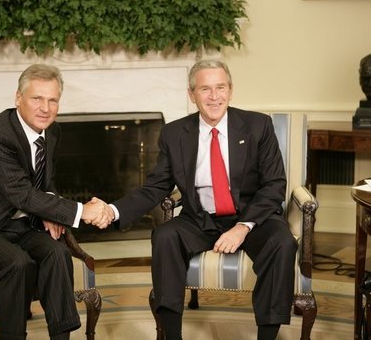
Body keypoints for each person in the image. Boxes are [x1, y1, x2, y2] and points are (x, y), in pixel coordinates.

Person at [105, 60, 298, 340]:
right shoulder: (174, 133)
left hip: (251, 215)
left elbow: (274, 185)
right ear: (191, 94)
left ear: (231, 91)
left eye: (220, 87)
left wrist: (243, 226)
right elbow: (155, 187)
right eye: (205, 89)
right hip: (199, 219)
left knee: (282, 242)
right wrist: (113, 211)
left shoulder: (258, 126)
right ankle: (172, 335)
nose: (214, 96)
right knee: (165, 237)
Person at [0, 64, 111, 340]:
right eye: (37, 98)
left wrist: (52, 209)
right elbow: (22, 194)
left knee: (58, 253)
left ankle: (61, 336)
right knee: (17, 263)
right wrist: (81, 211)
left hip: (18, 226)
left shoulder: (52, 132)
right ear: (18, 98)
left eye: (53, 100)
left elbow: (45, 183)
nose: (45, 108)